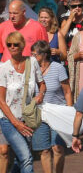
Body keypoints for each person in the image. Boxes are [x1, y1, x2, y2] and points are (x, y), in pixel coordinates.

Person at [0, 32, 45, 173]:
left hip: (28, 119)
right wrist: (16, 123)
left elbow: (42, 84)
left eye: (15, 44)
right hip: (9, 120)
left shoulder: (32, 62)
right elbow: (1, 100)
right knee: (26, 157)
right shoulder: (3, 68)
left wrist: (40, 95)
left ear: (22, 45)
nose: (12, 47)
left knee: (20, 161)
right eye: (9, 45)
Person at [30, 41, 71, 173]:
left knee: (57, 147)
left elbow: (67, 91)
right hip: (39, 113)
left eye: (34, 54)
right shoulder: (30, 69)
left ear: (44, 55)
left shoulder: (57, 68)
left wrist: (69, 111)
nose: (32, 57)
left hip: (57, 112)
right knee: (44, 149)